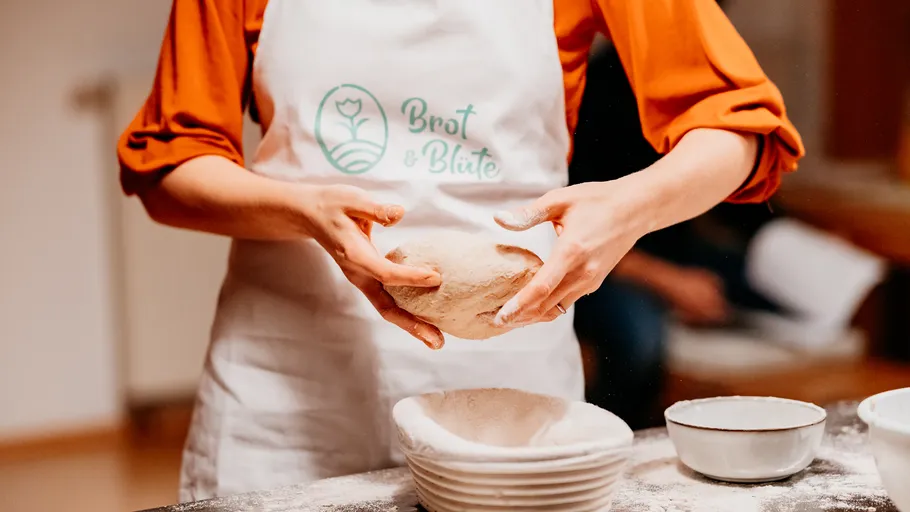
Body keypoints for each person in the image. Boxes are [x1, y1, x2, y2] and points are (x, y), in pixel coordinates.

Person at [118, 0, 804, 501]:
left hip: (509, 380)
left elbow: (737, 130)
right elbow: (168, 167)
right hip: (288, 384)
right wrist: (303, 209)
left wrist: (628, 209)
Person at [569, 34, 787, 429]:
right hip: (605, 261)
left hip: (673, 245)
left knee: (780, 287)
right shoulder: (595, 87)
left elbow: (734, 194)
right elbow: (572, 225)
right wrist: (671, 282)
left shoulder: (699, 81)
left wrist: (790, 232)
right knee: (639, 340)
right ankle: (610, 438)